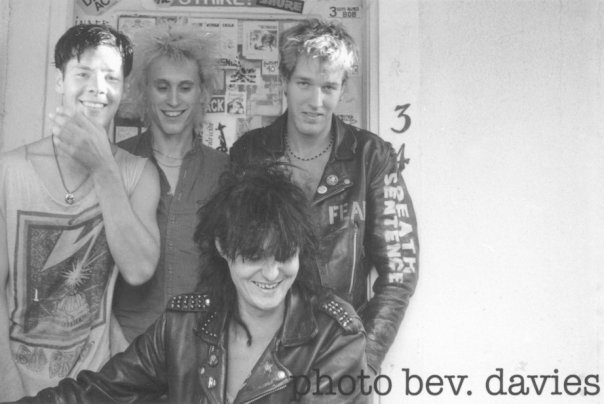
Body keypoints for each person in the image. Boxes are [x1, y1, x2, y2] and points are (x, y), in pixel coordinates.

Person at [11, 164, 369, 404]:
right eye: (255, 256)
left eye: (285, 255)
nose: (272, 274)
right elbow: (98, 392)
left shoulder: (336, 334)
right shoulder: (184, 324)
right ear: (223, 247)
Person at [230, 18, 419, 374]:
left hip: (340, 354)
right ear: (284, 81)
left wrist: (364, 361)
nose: (315, 101)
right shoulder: (249, 154)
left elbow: (400, 271)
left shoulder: (372, 157)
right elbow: (229, 257)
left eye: (328, 86)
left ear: (342, 89)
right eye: (304, 83)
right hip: (261, 357)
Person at [0, 24, 160, 400]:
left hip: (96, 385)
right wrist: (9, 389)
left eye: (111, 78)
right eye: (83, 73)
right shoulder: (8, 171)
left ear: (124, 88)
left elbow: (139, 270)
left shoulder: (139, 174)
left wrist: (104, 168)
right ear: (60, 80)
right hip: (16, 383)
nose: (97, 88)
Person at [113, 24, 229, 342]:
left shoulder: (226, 171)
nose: (173, 99)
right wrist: (111, 335)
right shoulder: (115, 162)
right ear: (144, 90)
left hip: (201, 345)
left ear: (202, 92)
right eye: (162, 87)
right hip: (125, 345)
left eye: (185, 87)